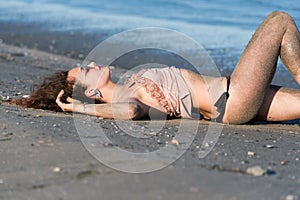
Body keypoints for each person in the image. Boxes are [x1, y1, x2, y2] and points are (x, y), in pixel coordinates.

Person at [10, 11, 300, 124]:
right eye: (86, 72)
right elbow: (131, 112)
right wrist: (78, 108)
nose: (92, 64)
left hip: (237, 94)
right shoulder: (124, 99)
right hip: (234, 97)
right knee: (279, 21)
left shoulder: (129, 84)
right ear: (95, 92)